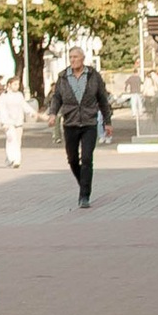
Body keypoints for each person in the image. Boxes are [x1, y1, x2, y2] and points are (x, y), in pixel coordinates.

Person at [50, 41, 111, 204]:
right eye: (70, 57)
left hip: (89, 123)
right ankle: (83, 182)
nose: (72, 60)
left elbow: (103, 99)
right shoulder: (63, 76)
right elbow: (57, 97)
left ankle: (84, 195)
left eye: (75, 57)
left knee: (86, 158)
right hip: (70, 123)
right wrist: (52, 113)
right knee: (72, 159)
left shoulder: (93, 75)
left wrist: (107, 122)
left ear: (83, 58)